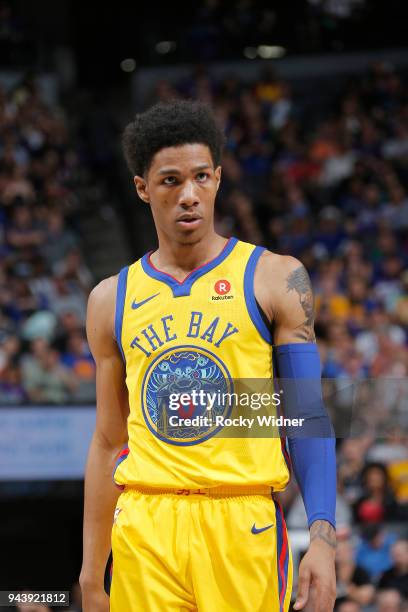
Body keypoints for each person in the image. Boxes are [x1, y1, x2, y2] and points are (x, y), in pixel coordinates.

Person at [79, 100, 337, 611]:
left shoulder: (276, 277)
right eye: (171, 181)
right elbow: (110, 442)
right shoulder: (110, 298)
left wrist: (324, 539)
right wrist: (91, 571)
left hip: (242, 522)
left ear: (218, 179)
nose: (189, 195)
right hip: (145, 525)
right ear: (142, 188)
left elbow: (306, 414)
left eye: (201, 177)